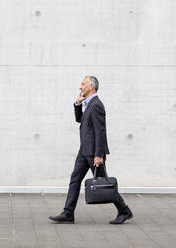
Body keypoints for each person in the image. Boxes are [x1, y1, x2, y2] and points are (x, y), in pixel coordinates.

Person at [48, 76, 133, 224]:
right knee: (75, 180)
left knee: (105, 183)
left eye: (82, 84)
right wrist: (77, 104)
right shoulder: (89, 103)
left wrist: (99, 155)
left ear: (91, 86)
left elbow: (100, 131)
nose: (80, 87)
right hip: (84, 150)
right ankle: (68, 213)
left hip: (94, 153)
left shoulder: (96, 105)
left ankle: (124, 211)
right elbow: (80, 120)